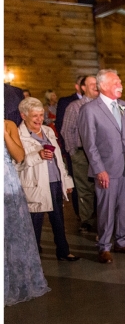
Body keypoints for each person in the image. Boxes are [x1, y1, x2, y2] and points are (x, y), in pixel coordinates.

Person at [78, 69, 125, 264]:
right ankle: (104, 246)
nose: (120, 85)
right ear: (103, 85)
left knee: (124, 206)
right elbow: (89, 144)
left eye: (120, 81)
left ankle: (123, 241)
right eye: (116, 82)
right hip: (105, 168)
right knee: (106, 208)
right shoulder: (89, 110)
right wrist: (99, 169)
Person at [16, 98, 79, 262]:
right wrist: (38, 156)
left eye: (41, 115)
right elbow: (16, 165)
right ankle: (33, 255)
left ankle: (63, 251)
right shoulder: (17, 136)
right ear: (23, 115)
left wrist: (65, 180)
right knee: (35, 222)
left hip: (55, 182)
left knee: (58, 219)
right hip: (35, 184)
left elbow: (59, 158)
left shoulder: (48, 131)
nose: (39, 119)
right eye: (34, 116)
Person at [4, 119, 51, 306]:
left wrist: (5, 134)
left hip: (7, 183)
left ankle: (15, 282)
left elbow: (19, 156)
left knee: (12, 233)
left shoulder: (8, 124)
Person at [61, 75, 99, 234]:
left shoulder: (105, 105)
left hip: (103, 153)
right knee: (85, 188)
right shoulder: (75, 107)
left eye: (97, 84)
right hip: (82, 154)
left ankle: (106, 219)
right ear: (83, 88)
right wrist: (73, 153)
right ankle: (87, 220)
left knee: (104, 187)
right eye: (92, 84)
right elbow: (66, 131)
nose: (96, 87)